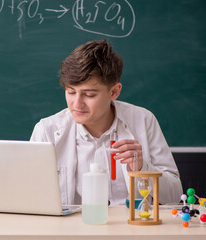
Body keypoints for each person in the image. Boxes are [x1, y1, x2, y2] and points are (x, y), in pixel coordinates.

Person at [30, 39, 182, 205]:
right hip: (72, 229)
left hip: (131, 229)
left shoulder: (143, 121)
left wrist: (142, 168)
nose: (77, 104)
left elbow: (175, 196)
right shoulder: (47, 130)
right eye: (71, 92)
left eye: (89, 95)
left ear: (114, 92)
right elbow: (28, 195)